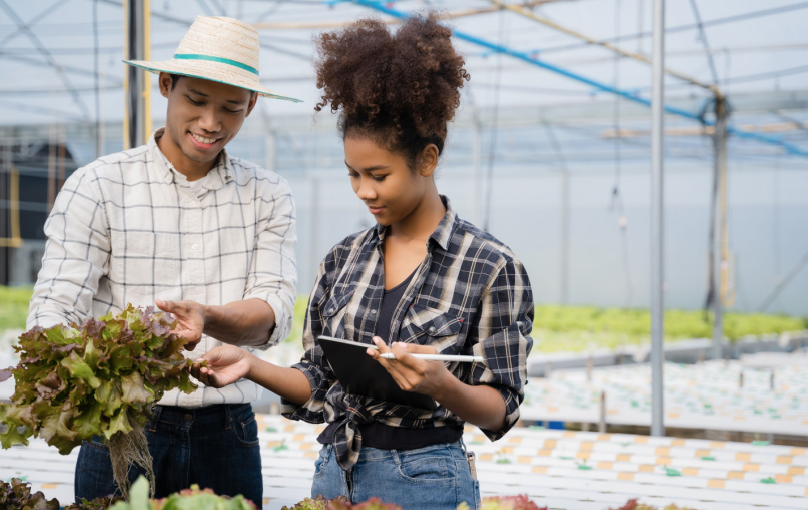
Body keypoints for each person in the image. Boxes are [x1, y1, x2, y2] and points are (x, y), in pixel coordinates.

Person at [194, 15, 533, 510]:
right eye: (353, 174)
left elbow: (500, 408)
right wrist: (251, 365)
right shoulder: (343, 260)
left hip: (426, 481)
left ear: (428, 159)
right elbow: (315, 382)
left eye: (379, 174)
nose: (364, 192)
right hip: (333, 473)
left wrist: (443, 384)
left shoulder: (490, 266)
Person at [26, 16, 299, 507]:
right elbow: (53, 311)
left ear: (251, 106)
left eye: (231, 109)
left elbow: (273, 315)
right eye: (196, 100)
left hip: (227, 432)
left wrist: (210, 318)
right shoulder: (99, 186)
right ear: (166, 85)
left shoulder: (268, 195)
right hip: (123, 428)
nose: (211, 123)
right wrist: (90, 376)